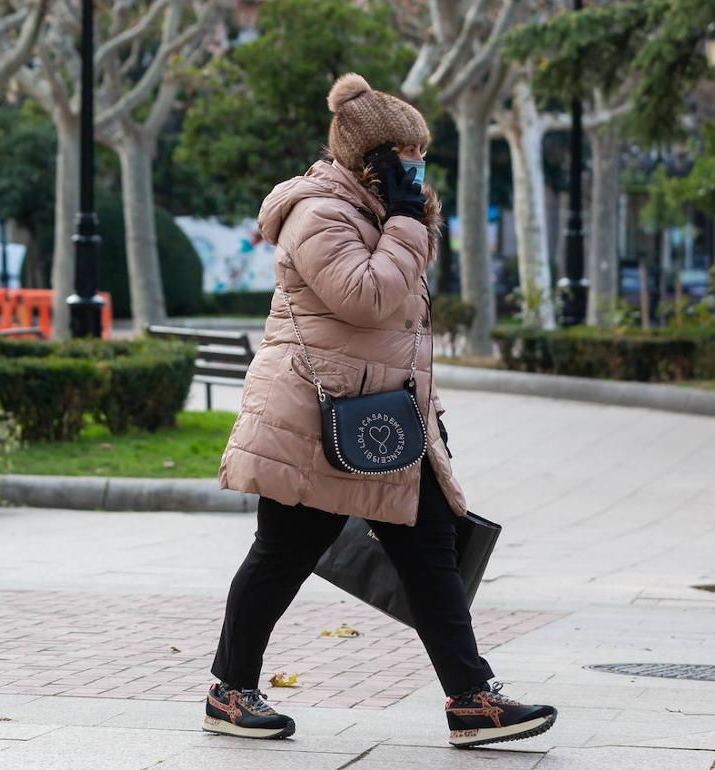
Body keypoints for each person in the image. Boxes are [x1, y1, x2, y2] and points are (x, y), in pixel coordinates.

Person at [205, 74, 557, 748]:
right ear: (376, 160)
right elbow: (367, 297)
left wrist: (432, 412)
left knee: (431, 555)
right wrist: (404, 219)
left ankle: (471, 700)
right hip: (316, 419)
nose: (420, 168)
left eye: (422, 156)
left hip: (382, 417)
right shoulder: (320, 213)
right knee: (281, 554)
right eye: (409, 156)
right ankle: (229, 691)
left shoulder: (376, 211)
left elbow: (401, 328)